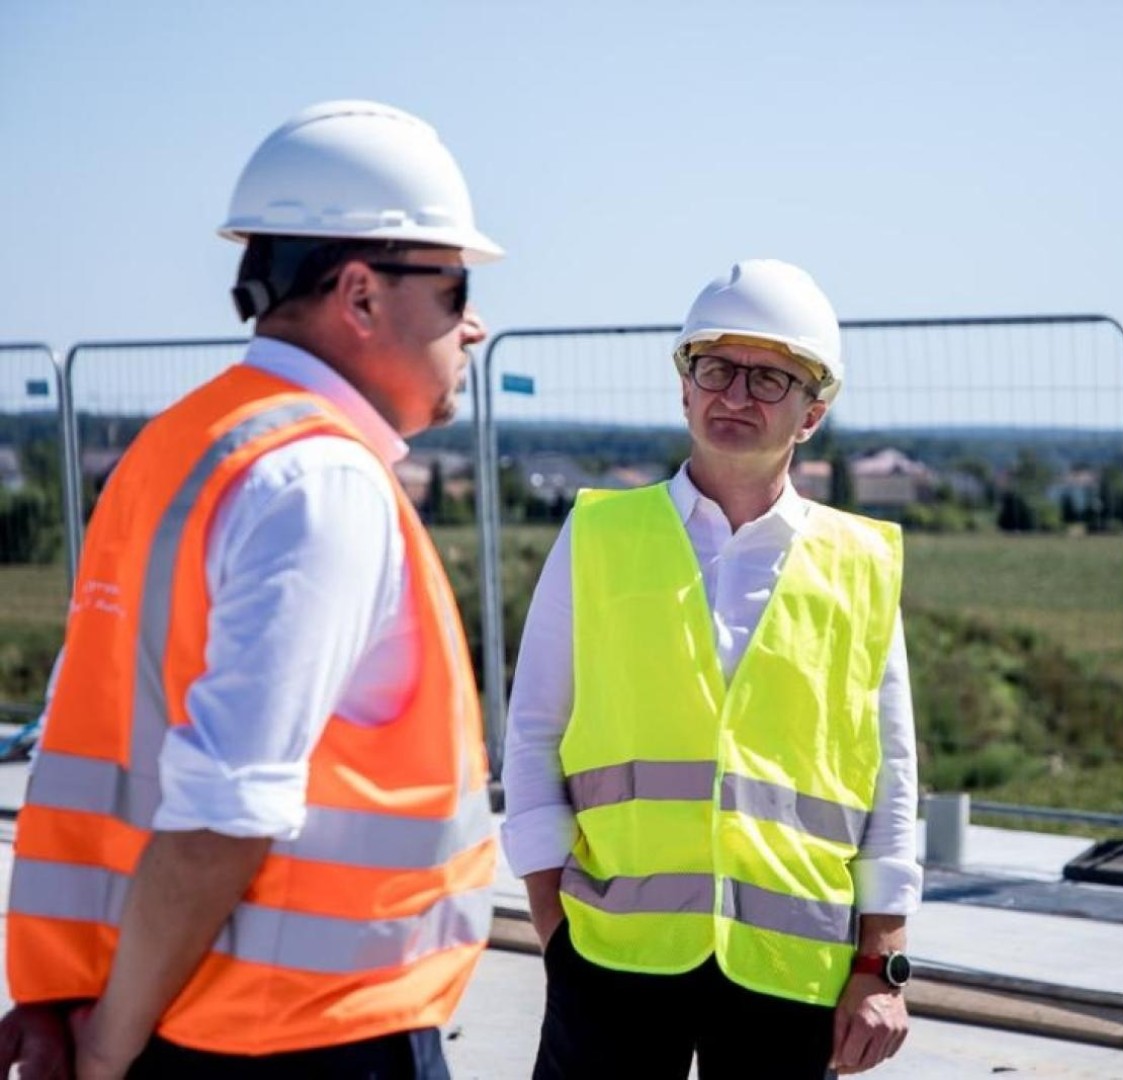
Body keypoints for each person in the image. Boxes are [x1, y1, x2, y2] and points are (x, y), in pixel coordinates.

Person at [0, 100, 502, 1079]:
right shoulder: (319, 480)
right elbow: (221, 813)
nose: (472, 326)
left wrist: (68, 1000)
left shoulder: (176, 448)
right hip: (303, 1039)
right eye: (452, 289)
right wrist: (105, 1051)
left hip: (165, 1007)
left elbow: (91, 731)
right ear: (360, 295)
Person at [501, 258, 920, 1078]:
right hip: (612, 955)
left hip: (789, 969)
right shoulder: (598, 536)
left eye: (769, 379)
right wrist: (554, 927)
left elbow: (892, 777)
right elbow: (533, 735)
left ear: (812, 413)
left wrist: (882, 963)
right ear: (683, 386)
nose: (734, 395)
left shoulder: (860, 563)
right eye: (714, 368)